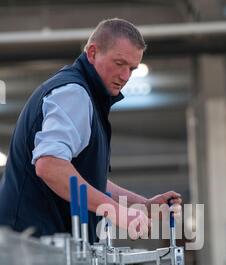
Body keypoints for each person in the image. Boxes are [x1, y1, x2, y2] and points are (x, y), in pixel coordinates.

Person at [0, 18, 181, 242]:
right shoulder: (73, 93)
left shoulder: (87, 96)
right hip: (30, 247)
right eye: (119, 63)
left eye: (132, 68)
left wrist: (141, 205)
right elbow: (50, 166)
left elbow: (84, 180)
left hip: (41, 247)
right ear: (93, 53)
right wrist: (118, 213)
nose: (125, 76)